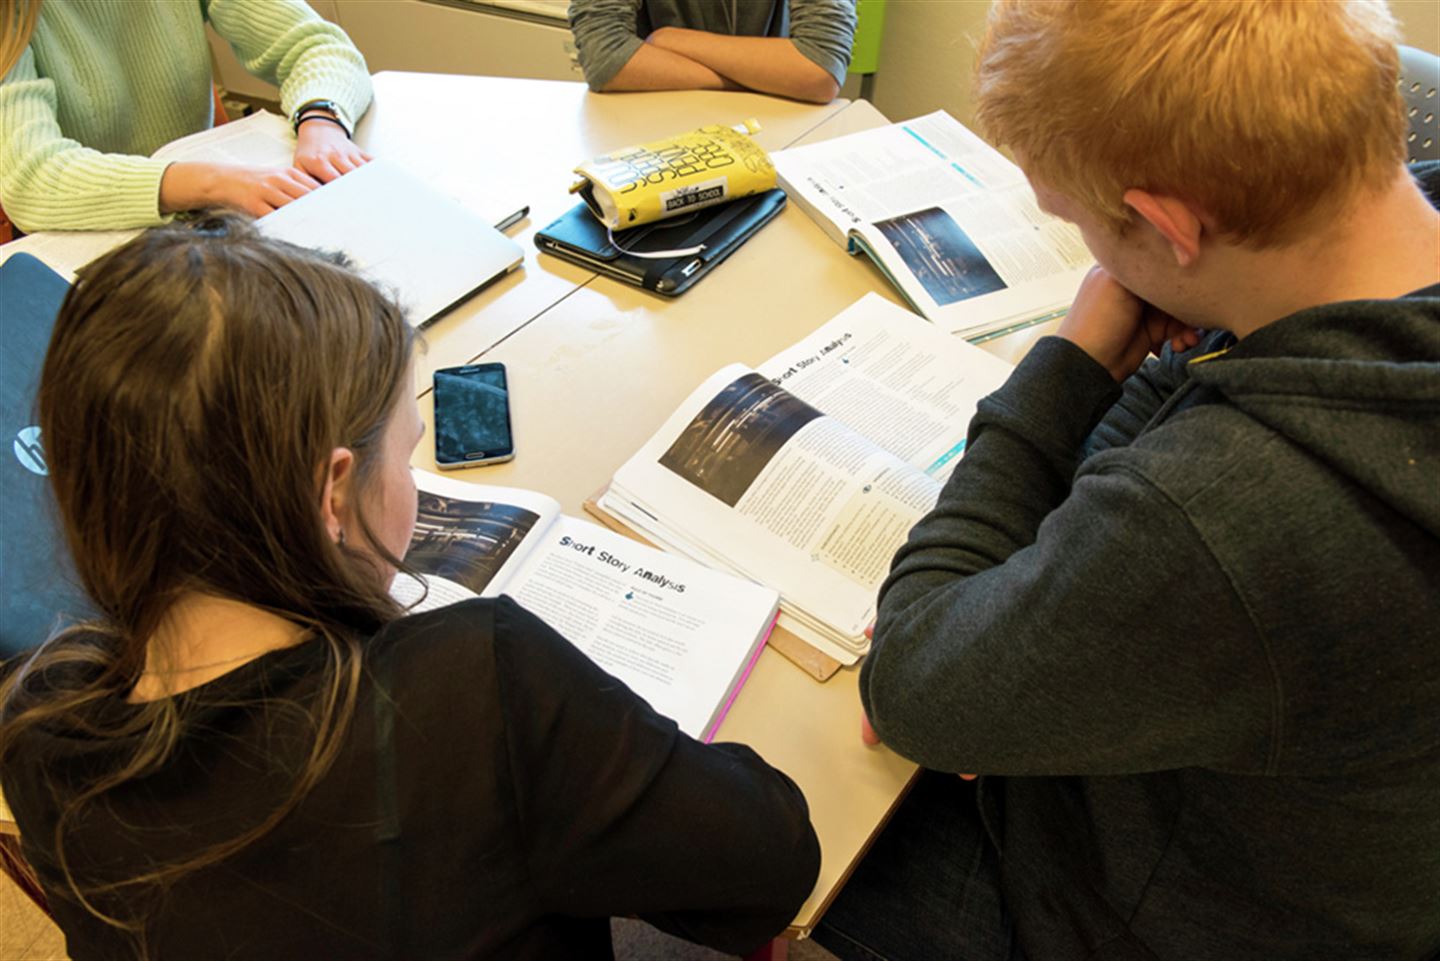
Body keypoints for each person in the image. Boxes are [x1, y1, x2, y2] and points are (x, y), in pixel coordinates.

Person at [0, 215, 821, 958]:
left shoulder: (40, 735)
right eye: (407, 449)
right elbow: (774, 862)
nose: (416, 484)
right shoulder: (474, 687)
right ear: (333, 492)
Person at [814, 1, 1440, 959]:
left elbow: (913, 682)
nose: (1095, 266)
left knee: (802, 824)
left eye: (1078, 226)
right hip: (1357, 852)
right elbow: (1160, 410)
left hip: (1179, 911)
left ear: (1165, 223)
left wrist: (1069, 361)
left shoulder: (1222, 512)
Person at [0, 0, 373, 232]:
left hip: (203, 217)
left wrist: (322, 122)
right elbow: (32, 178)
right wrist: (212, 183)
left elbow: (316, 46)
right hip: (78, 236)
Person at [569, 0, 856, 104]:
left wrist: (672, 39)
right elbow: (604, 57)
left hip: (773, 132)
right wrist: (767, 78)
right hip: (649, 131)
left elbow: (821, 67)